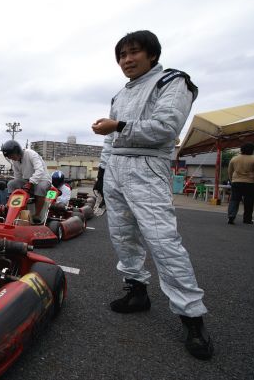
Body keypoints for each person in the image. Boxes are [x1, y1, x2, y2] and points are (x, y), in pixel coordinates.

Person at [91, 30, 213, 360]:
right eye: (122, 55)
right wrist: (102, 173)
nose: (127, 60)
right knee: (122, 235)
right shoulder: (119, 94)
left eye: (134, 52)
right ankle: (137, 291)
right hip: (116, 168)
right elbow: (109, 142)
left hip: (147, 165)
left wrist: (118, 126)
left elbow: (166, 127)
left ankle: (192, 317)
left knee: (162, 241)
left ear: (153, 55)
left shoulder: (172, 81)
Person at [1, 139, 52, 223]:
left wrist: (30, 183)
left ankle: (37, 215)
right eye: (9, 157)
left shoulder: (31, 154)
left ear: (17, 151)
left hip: (42, 179)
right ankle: (13, 211)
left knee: (40, 187)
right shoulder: (15, 161)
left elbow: (40, 170)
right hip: (27, 181)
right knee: (11, 184)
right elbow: (18, 177)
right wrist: (23, 186)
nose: (11, 158)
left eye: (11, 155)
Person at [227, 143, 254, 224]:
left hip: (236, 182)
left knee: (234, 200)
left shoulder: (234, 159)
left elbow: (230, 171)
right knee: (249, 202)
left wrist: (232, 180)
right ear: (252, 150)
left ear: (241, 149)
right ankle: (247, 219)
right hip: (250, 183)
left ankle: (231, 216)